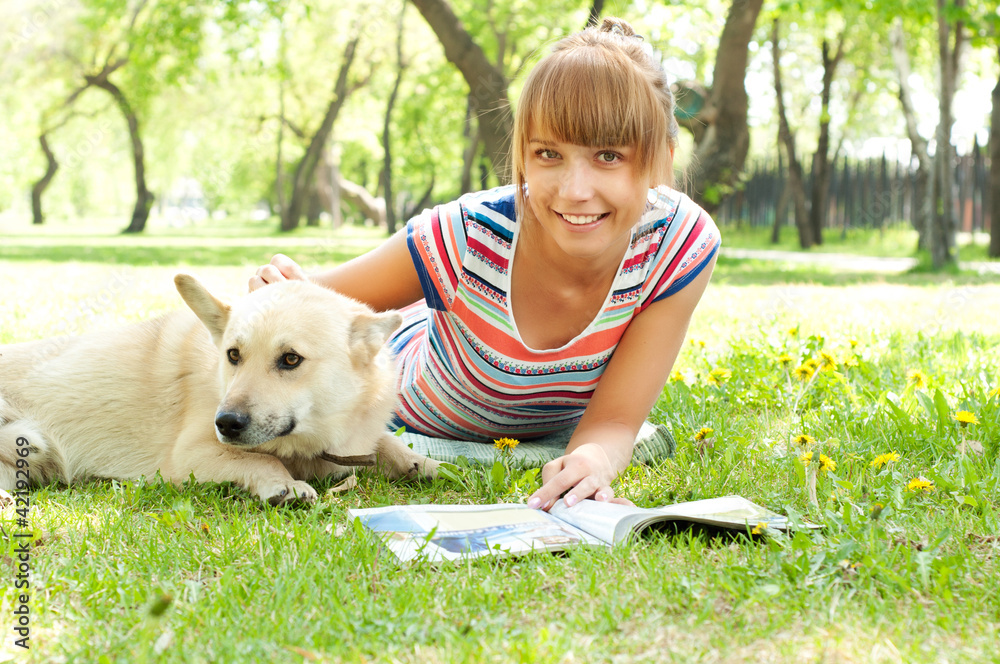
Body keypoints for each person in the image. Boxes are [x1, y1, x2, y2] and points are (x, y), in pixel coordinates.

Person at [249, 17, 720, 511]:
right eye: (547, 154)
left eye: (608, 155)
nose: (575, 191)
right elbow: (317, 302)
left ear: (661, 161)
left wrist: (593, 460)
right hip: (416, 381)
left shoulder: (679, 245)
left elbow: (617, 421)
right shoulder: (467, 235)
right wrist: (277, 286)